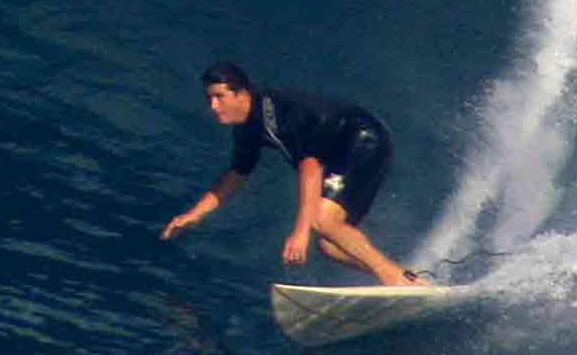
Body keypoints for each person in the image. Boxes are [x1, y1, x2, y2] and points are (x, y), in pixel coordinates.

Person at [157, 60, 427, 286]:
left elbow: (310, 167)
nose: (213, 106)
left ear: (242, 93)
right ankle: (406, 279)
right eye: (209, 99)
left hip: (363, 140)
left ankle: (390, 277)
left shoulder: (275, 113)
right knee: (331, 245)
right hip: (344, 151)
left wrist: (300, 232)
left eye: (219, 97)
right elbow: (236, 174)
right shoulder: (248, 128)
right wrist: (194, 214)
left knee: (321, 220)